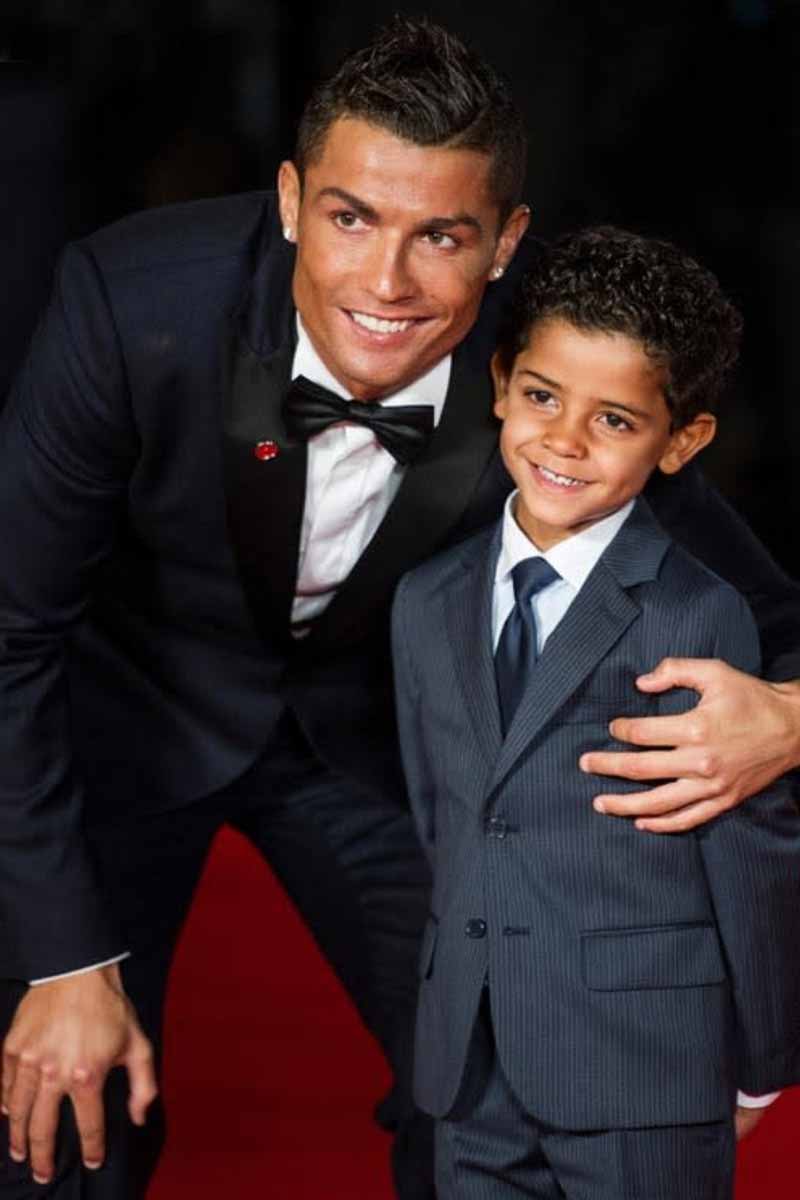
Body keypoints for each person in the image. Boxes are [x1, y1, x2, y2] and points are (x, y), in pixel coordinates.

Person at [0, 17, 798, 1199]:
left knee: (490, 1086)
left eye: (440, 236)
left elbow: (771, 616)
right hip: (128, 716)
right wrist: (63, 960)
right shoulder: (130, 301)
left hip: (386, 747)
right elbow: (11, 630)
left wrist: (787, 716)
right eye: (350, 218)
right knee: (56, 1117)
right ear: (289, 201)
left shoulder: (556, 363)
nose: (385, 283)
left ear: (504, 242)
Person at [392, 226, 800, 1200]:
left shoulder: (695, 612)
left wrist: (762, 1058)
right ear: (500, 384)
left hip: (643, 1061)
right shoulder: (426, 600)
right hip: (470, 1057)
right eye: (542, 397)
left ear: (680, 441)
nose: (564, 441)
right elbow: (442, 814)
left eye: (614, 419)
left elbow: (750, 853)